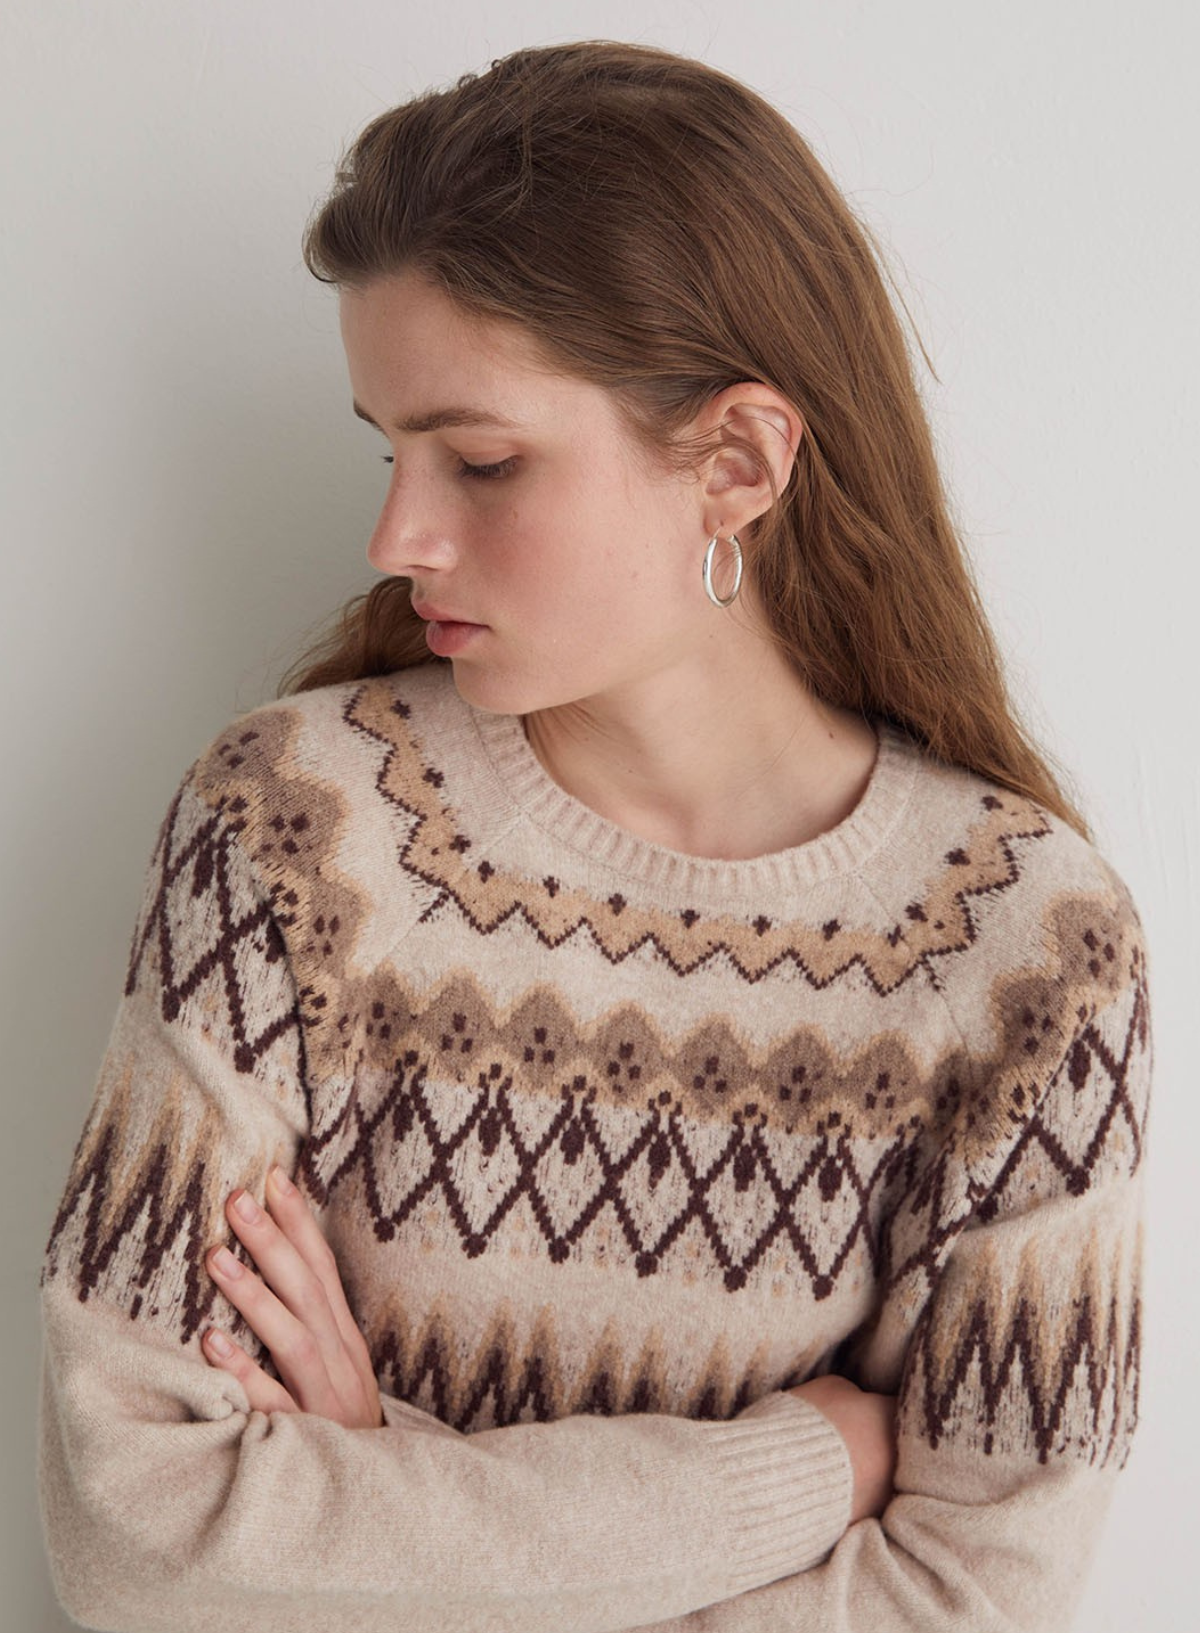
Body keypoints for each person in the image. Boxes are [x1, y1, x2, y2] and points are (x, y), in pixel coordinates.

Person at [37, 38, 1152, 1633]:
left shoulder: (1032, 959)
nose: (396, 537)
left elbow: (976, 1605)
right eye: (386, 446)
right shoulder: (291, 836)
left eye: (481, 460)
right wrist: (805, 1474)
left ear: (740, 462)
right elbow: (136, 1551)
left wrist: (376, 1480)